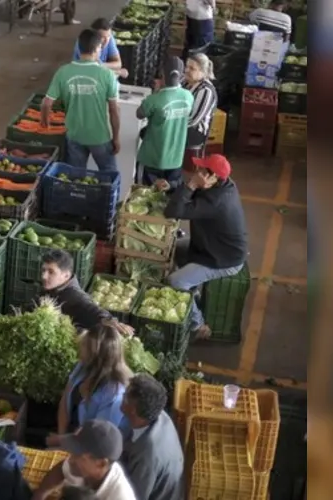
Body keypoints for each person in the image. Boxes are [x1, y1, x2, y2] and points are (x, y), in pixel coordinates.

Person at [162, 154, 248, 340]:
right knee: (172, 251)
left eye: (202, 171)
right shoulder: (223, 185)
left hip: (223, 260)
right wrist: (172, 188)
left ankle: (198, 325)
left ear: (213, 177)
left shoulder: (216, 202)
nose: (196, 173)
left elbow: (172, 212)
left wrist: (190, 185)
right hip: (209, 248)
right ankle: (193, 292)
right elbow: (195, 193)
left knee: (175, 281)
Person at [0, 250, 133, 337]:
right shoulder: (52, 290)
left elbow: (92, 309)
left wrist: (112, 322)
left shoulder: (73, 295)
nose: (43, 276)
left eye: (51, 272)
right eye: (43, 270)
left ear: (66, 275)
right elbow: (28, 312)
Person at [42, 29, 121, 172]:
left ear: (79, 47)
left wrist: (45, 122)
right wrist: (116, 138)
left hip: (74, 136)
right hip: (100, 137)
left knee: (76, 177)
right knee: (109, 174)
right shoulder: (107, 75)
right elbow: (114, 110)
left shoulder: (63, 72)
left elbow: (46, 103)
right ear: (98, 49)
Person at [32, 420, 138, 500]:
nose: (70, 460)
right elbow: (61, 469)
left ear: (101, 463)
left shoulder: (121, 496)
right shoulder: (80, 466)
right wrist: (40, 495)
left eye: (78, 455)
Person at [118, 374, 184, 500]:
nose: (122, 397)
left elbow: (133, 496)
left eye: (125, 396)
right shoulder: (158, 415)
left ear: (133, 410)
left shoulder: (147, 454)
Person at [137, 57, 194, 191]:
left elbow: (139, 114)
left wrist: (157, 91)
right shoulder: (188, 97)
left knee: (144, 194)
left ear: (162, 75)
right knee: (169, 195)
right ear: (181, 76)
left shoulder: (155, 99)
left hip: (152, 158)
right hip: (175, 158)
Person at [181, 53, 218, 170]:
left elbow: (193, 120)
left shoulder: (205, 90)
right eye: (186, 66)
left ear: (203, 72)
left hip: (195, 131)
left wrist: (171, 125)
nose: (186, 70)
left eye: (192, 68)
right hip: (181, 124)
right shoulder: (185, 83)